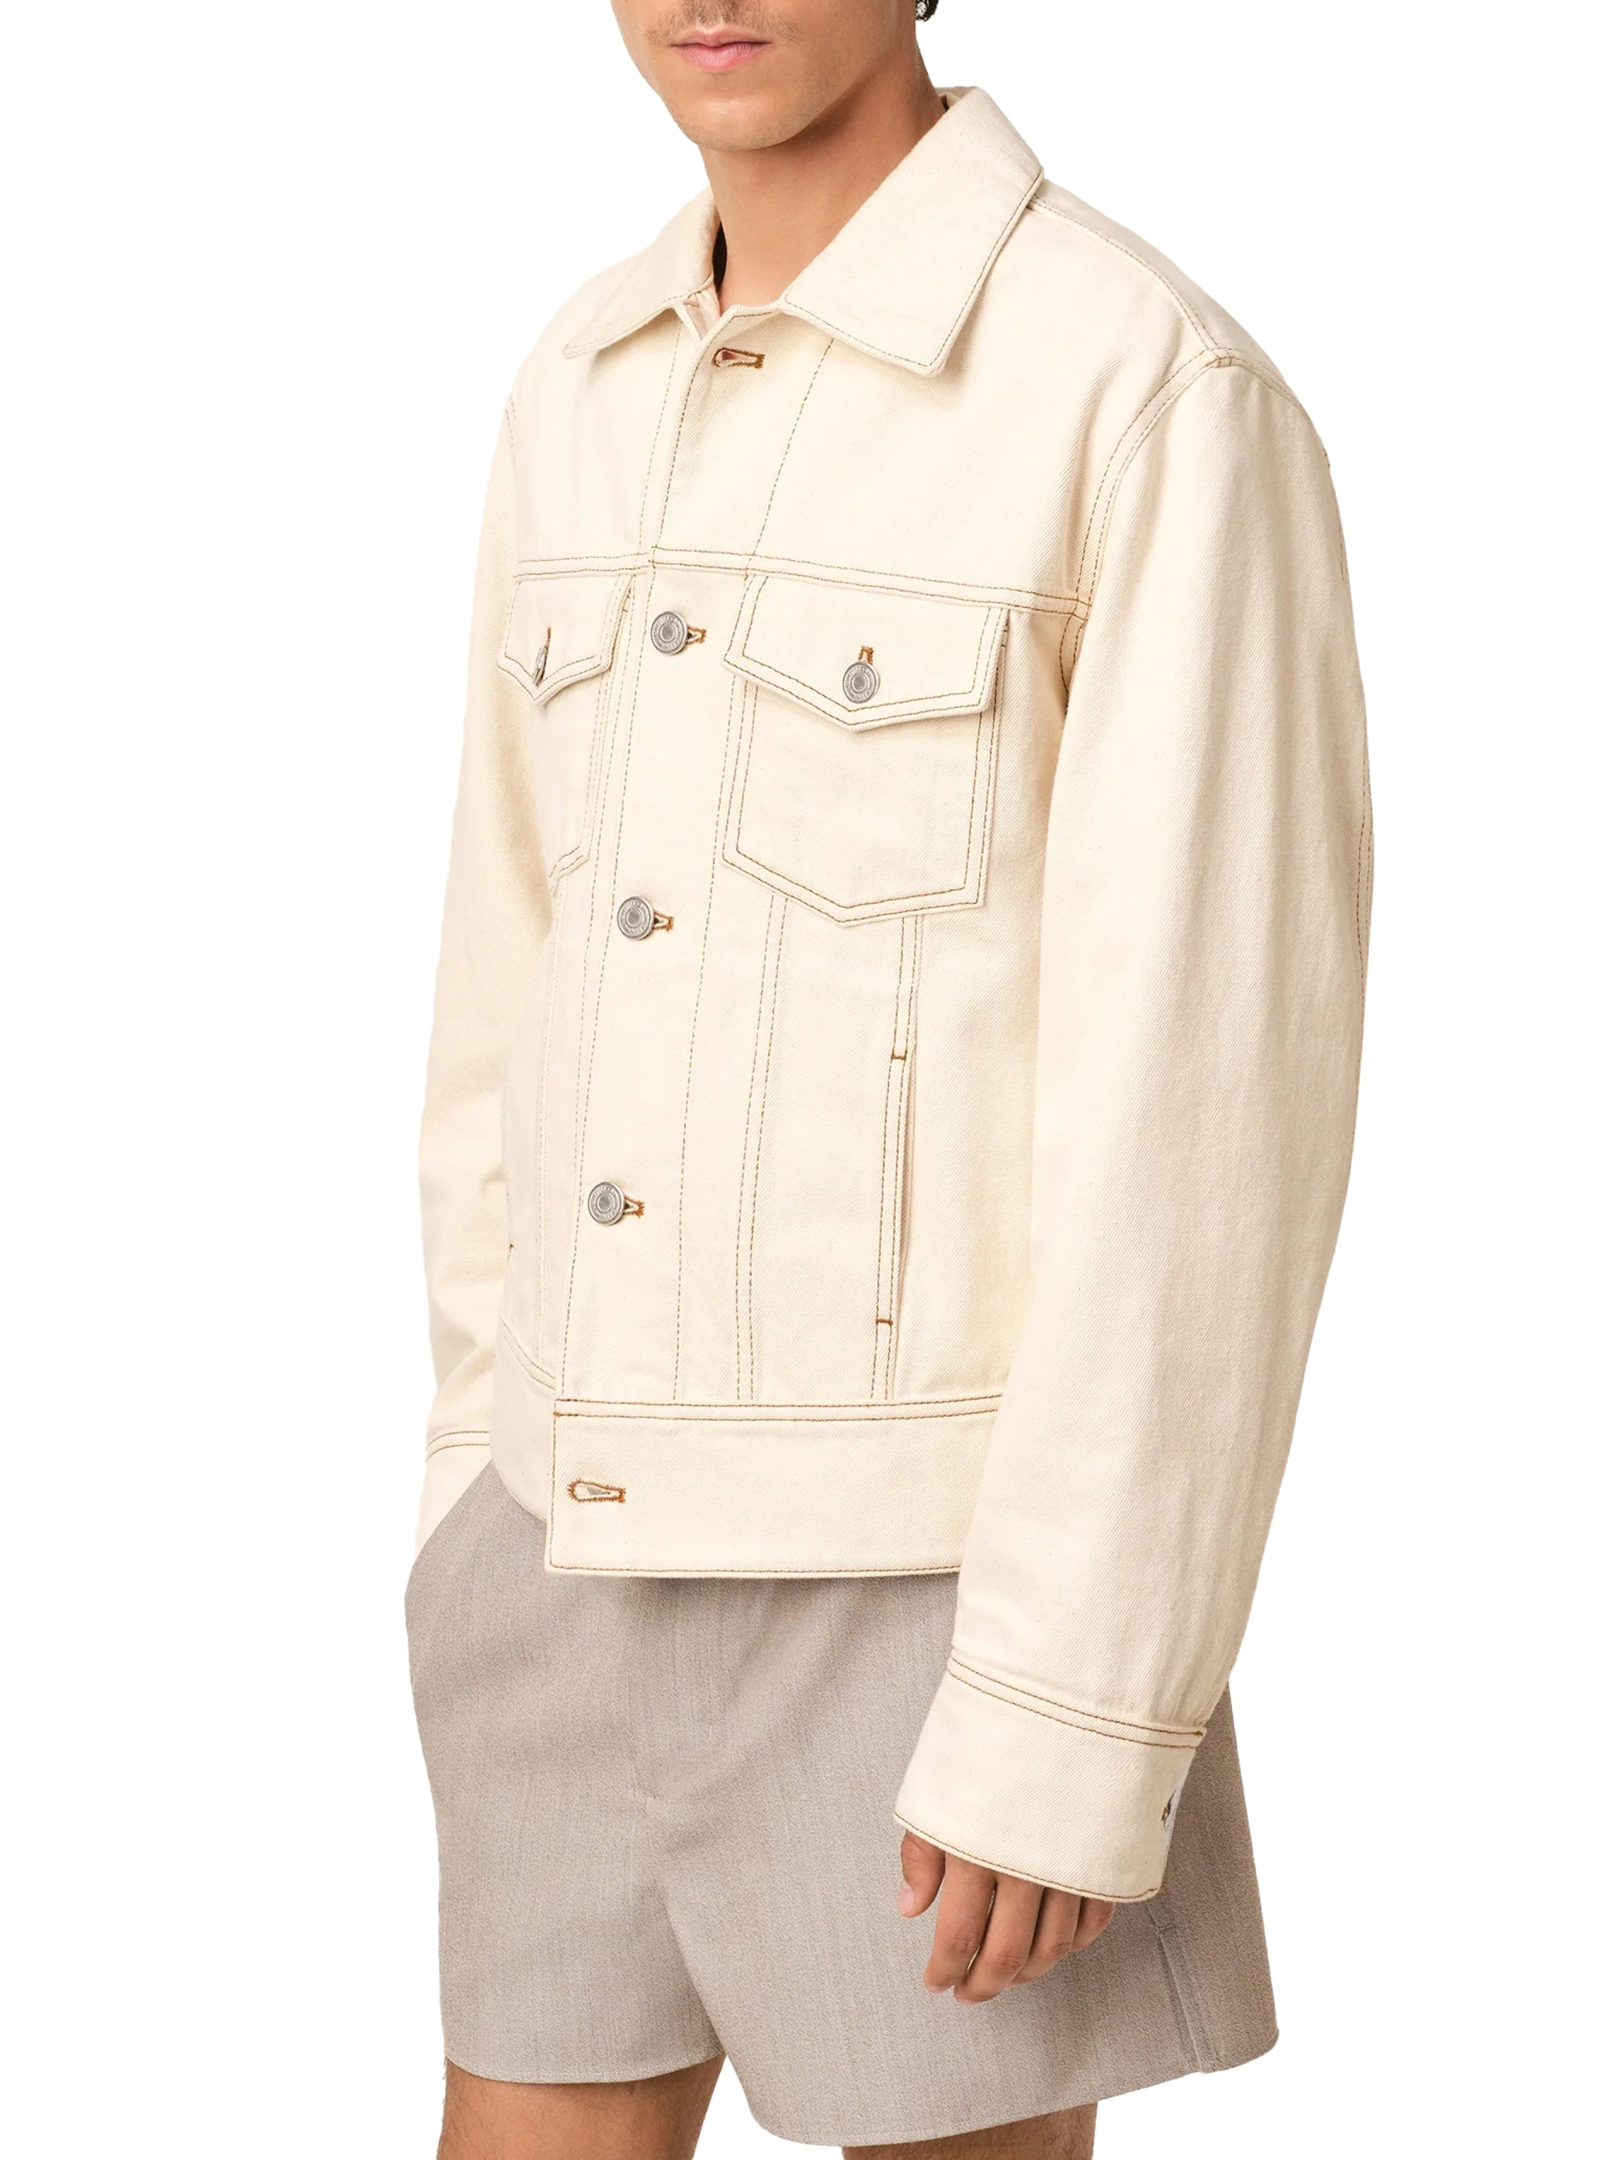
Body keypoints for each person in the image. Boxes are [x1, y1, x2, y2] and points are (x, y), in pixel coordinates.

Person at [406, 3, 1371, 2154]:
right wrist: (476, 1468)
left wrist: (1074, 1700)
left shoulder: (1139, 388)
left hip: (919, 1594)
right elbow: (503, 991)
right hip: (556, 1554)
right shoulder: (581, 382)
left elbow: (1207, 1120)